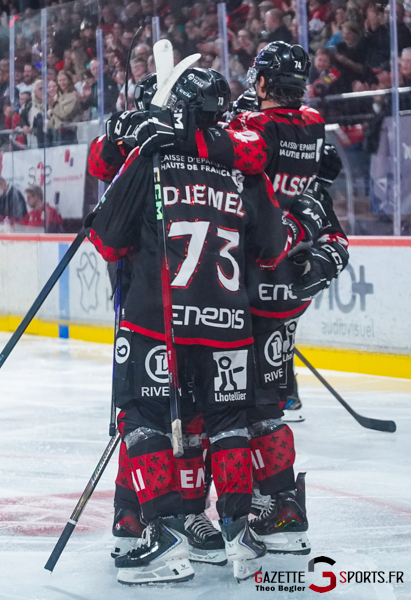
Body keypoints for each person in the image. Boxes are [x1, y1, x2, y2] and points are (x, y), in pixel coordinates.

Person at [89, 67, 319, 585]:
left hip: (158, 319)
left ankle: (161, 533)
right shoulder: (242, 165)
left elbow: (106, 239)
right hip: (230, 323)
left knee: (144, 420)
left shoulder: (151, 156)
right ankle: (240, 533)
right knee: (230, 423)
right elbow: (270, 248)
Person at [146, 41, 348, 555]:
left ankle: (214, 509)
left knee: (224, 405)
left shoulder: (255, 128)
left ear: (261, 83)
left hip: (246, 280)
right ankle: (280, 504)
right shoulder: (313, 124)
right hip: (288, 284)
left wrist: (191, 125)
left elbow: (244, 152)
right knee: (269, 403)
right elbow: (314, 189)